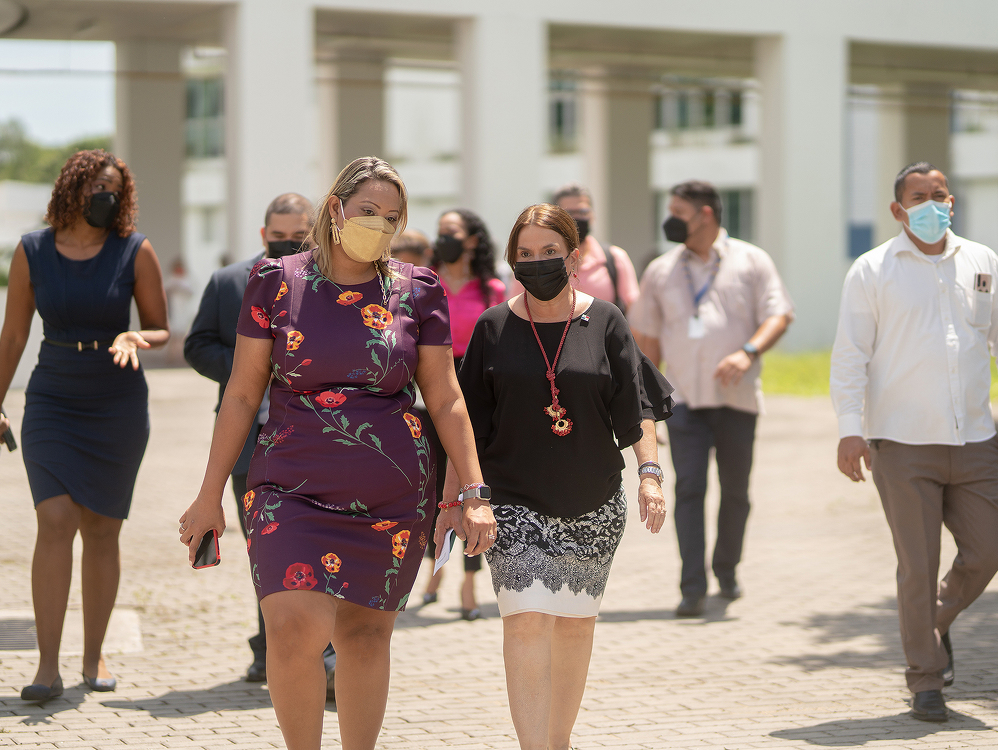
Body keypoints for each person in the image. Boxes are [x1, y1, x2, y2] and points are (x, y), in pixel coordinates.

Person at [178, 157, 495, 750]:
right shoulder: (274, 282)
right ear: (336, 210)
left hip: (391, 493)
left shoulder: (418, 290)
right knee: (292, 629)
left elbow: (447, 397)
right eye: (368, 211)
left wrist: (471, 493)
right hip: (289, 485)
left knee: (365, 636)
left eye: (392, 217)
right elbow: (243, 393)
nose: (379, 225)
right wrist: (207, 495)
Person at [448, 203, 672, 750]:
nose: (537, 263)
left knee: (574, 625)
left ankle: (557, 741)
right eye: (524, 254)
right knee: (525, 620)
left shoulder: (608, 321)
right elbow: (465, 423)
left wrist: (649, 474)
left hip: (593, 503)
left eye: (549, 252)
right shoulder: (493, 328)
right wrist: (458, 500)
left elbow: (638, 406)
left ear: (573, 257)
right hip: (513, 502)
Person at [830, 162, 998, 723]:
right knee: (918, 565)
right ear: (898, 209)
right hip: (902, 442)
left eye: (940, 194)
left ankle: (933, 624)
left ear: (953, 200)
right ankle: (925, 681)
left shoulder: (982, 261)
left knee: (986, 552)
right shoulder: (872, 270)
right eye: (919, 197)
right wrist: (850, 428)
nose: (933, 204)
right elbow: (851, 354)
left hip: (977, 437)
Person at [0, 149, 169, 702]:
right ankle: (47, 666)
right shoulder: (32, 251)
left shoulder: (133, 250)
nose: (108, 195)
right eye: (99, 184)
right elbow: (12, 338)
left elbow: (161, 328)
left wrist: (133, 337)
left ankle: (93, 653)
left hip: (116, 400)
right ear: (73, 185)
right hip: (53, 396)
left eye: (116, 187)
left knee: (102, 529)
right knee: (55, 518)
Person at [629, 180, 794, 617]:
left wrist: (748, 352)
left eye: (678, 211)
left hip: (737, 400)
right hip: (682, 404)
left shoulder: (752, 260)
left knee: (736, 493)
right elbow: (645, 340)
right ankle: (692, 586)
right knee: (689, 491)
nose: (670, 219)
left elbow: (780, 314)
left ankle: (727, 568)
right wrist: (648, 411)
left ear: (705, 214)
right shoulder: (662, 270)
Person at [184, 192, 328, 686]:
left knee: (319, 550)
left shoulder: (331, 283)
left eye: (298, 235)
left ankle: (324, 654)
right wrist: (251, 367)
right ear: (263, 234)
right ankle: (269, 648)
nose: (287, 243)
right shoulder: (229, 282)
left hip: (317, 442)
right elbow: (197, 344)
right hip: (248, 442)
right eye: (279, 235)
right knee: (266, 552)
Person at [421, 208, 506, 620]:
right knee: (434, 486)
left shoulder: (492, 289)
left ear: (473, 240)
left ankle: (470, 582)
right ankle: (434, 569)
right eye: (440, 233)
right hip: (428, 394)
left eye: (451, 232)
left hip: (474, 392)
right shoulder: (425, 282)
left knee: (472, 485)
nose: (444, 240)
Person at [505, 183, 639, 313]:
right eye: (568, 212)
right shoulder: (534, 262)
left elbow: (634, 311)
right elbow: (514, 307)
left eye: (582, 212)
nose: (576, 218)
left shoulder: (615, 258)